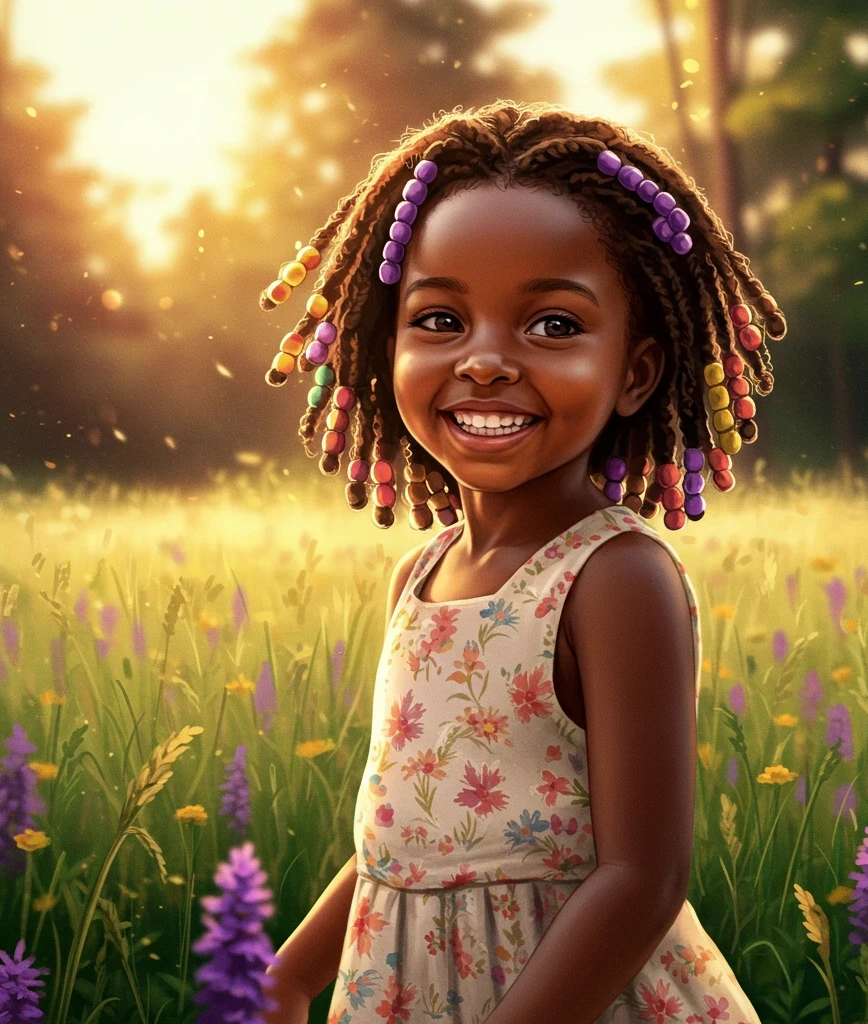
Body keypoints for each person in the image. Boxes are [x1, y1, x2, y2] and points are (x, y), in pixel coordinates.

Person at [259, 100, 784, 1024]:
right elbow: (402, 836)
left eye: (551, 325)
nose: (487, 362)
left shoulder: (616, 578)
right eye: (439, 318)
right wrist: (292, 973)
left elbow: (642, 878)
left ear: (637, 371)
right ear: (386, 347)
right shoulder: (419, 577)